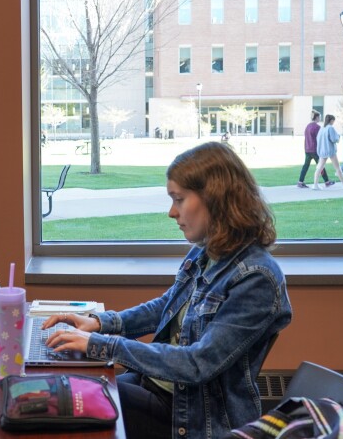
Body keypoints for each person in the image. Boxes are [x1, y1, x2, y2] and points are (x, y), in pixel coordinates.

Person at [42, 142, 292, 439]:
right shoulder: (205, 253)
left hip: (193, 417)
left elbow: (197, 363)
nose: (172, 212)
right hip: (159, 387)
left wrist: (101, 343)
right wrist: (100, 323)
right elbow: (166, 307)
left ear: (216, 200)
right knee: (71, 385)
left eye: (179, 199)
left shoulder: (257, 278)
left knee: (71, 402)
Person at [297, 110, 333, 188]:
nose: (320, 118)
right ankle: (327, 182)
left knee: (305, 166)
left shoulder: (308, 126)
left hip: (307, 149)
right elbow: (320, 138)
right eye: (319, 117)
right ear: (316, 117)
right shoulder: (317, 127)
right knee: (321, 165)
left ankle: (300, 182)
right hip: (315, 150)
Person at [313, 114, 343, 190]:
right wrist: (338, 137)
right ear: (331, 120)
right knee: (337, 167)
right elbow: (334, 139)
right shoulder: (330, 128)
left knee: (319, 168)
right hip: (330, 150)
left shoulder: (322, 128)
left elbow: (318, 139)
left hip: (323, 151)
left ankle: (315, 185)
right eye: (333, 121)